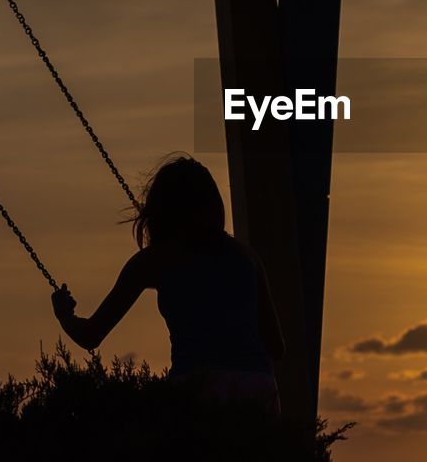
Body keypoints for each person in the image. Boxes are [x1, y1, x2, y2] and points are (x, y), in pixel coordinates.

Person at [50, 154, 284, 413]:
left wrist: (65, 315)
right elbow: (276, 346)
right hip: (257, 388)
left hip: (197, 386)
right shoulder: (247, 256)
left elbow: (91, 335)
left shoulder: (153, 261)